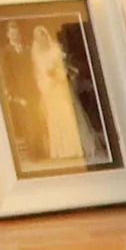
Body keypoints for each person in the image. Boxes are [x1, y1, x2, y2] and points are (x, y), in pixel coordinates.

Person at [31, 25, 103, 162]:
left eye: (42, 37)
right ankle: (62, 151)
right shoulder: (36, 55)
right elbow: (38, 73)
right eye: (38, 38)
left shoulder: (56, 51)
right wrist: (44, 84)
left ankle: (74, 149)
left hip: (60, 88)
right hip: (49, 90)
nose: (41, 40)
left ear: (46, 37)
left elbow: (64, 68)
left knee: (67, 116)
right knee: (55, 120)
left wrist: (57, 75)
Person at [0, 20, 46, 162]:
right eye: (12, 34)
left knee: (36, 121)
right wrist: (15, 95)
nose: (15, 36)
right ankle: (32, 154)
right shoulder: (6, 52)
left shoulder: (27, 49)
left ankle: (40, 151)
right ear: (8, 35)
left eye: (17, 33)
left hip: (32, 90)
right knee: (26, 123)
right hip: (19, 93)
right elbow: (7, 75)